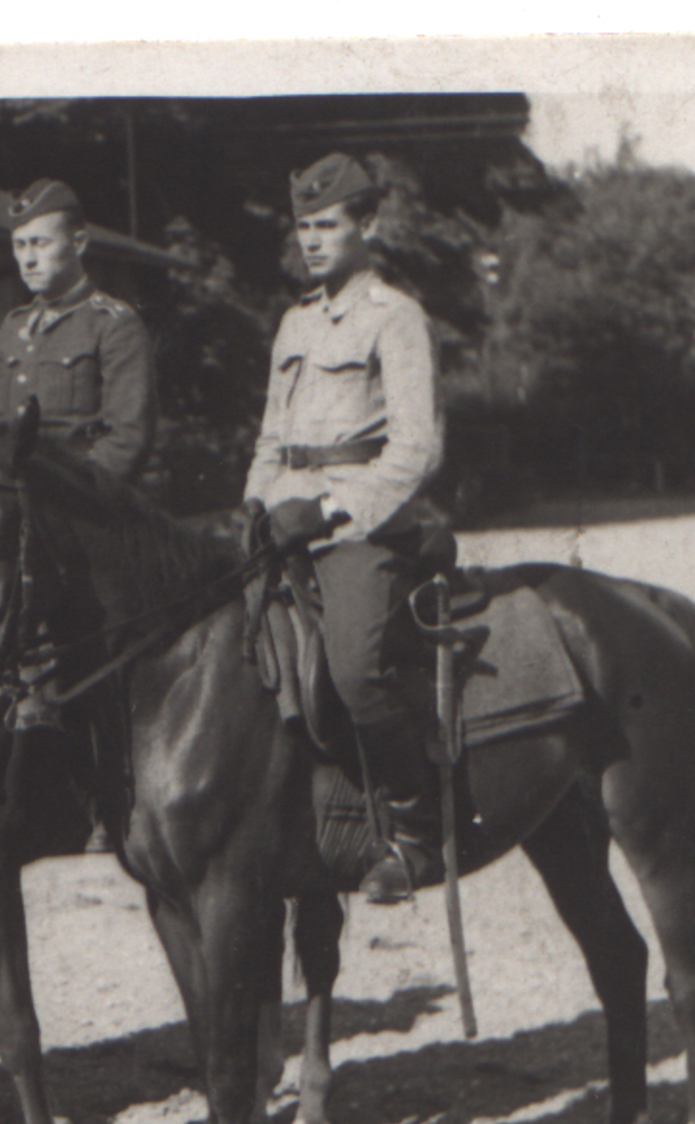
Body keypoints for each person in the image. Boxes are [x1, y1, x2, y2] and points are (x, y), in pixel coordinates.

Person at [243, 153, 444, 905]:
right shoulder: (295, 321)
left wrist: (330, 511)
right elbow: (271, 435)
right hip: (282, 519)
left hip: (359, 526)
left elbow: (417, 450)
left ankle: (414, 831)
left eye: (327, 225)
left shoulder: (397, 316)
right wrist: (255, 503)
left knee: (356, 667)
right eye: (304, 226)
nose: (312, 240)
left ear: (369, 226)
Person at [0, 179, 156, 487]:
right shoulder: (14, 327)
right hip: (15, 495)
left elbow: (128, 440)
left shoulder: (113, 324)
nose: (28, 259)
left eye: (40, 243)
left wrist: (63, 492)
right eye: (20, 245)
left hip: (82, 500)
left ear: (79, 243)